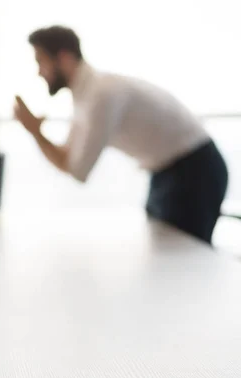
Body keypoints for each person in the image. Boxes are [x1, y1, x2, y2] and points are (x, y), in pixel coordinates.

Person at [14, 26, 228, 244]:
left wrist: (36, 133)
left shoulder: (101, 95)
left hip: (195, 170)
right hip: (168, 172)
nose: (39, 72)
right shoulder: (85, 96)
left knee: (184, 262)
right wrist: (35, 133)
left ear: (64, 58)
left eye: (41, 61)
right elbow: (69, 161)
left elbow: (78, 170)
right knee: (168, 258)